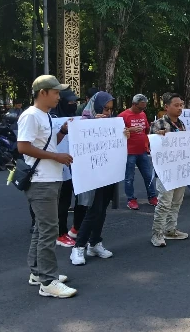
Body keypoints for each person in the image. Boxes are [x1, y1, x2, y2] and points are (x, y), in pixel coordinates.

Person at [17, 75, 76, 298]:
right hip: (40, 181)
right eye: (55, 92)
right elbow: (23, 147)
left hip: (50, 178)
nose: (59, 97)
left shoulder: (46, 116)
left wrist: (62, 132)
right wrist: (57, 157)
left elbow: (47, 144)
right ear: (43, 93)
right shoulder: (31, 115)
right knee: (50, 229)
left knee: (43, 228)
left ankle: (37, 273)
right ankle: (48, 282)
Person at [70, 92, 128, 266]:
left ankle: (94, 243)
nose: (108, 112)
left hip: (107, 173)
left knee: (102, 208)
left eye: (110, 109)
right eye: (105, 108)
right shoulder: (82, 122)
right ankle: (78, 246)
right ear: (96, 106)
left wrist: (123, 135)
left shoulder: (112, 123)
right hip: (91, 175)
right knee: (93, 210)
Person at [149, 93, 190, 246]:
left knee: (176, 202)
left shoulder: (182, 125)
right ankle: (157, 234)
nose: (180, 108)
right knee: (164, 203)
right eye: (176, 105)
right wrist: (158, 137)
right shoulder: (158, 124)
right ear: (166, 107)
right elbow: (151, 147)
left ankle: (170, 230)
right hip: (165, 171)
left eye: (181, 105)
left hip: (180, 169)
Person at [48, 88, 79, 248]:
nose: (73, 105)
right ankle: (60, 233)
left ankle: (74, 229)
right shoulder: (51, 119)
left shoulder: (77, 119)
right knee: (62, 201)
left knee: (77, 199)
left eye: (75, 102)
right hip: (58, 166)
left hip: (75, 164)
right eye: (70, 102)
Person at [118, 94, 158, 210]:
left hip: (142, 151)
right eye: (140, 108)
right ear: (134, 104)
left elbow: (146, 129)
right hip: (129, 152)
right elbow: (116, 131)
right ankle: (131, 199)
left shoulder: (143, 114)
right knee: (129, 177)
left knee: (148, 175)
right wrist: (130, 129)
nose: (142, 110)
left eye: (144, 108)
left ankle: (152, 196)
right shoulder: (123, 116)